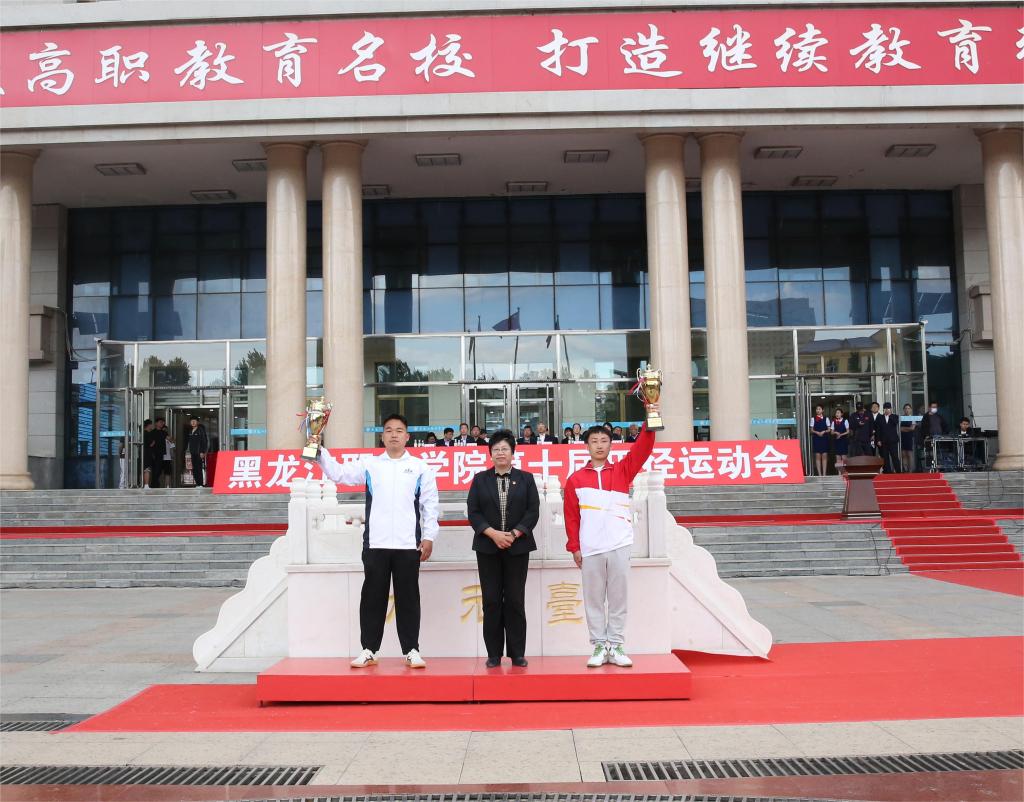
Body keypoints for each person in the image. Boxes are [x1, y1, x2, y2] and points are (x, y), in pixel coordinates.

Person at [318, 413, 439, 669]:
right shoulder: (371, 464)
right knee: (373, 598)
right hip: (376, 543)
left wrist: (429, 536)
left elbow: (430, 505)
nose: (394, 434)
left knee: (408, 598)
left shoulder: (420, 468)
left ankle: (412, 650)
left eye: (399, 430)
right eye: (389, 430)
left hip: (408, 544)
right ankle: (369, 649)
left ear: (407, 437)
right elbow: (339, 474)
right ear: (382, 437)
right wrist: (318, 450)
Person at [564, 405, 657, 668]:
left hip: (619, 544)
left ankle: (615, 645)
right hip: (590, 548)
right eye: (594, 441)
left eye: (604, 441)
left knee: (618, 598)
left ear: (610, 445)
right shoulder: (575, 480)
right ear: (586, 446)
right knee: (593, 599)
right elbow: (571, 517)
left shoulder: (622, 471)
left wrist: (651, 416)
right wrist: (574, 547)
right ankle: (598, 646)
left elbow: (643, 448)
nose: (599, 445)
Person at [466, 429, 540, 668]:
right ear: (490, 454)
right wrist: (493, 534)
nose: (500, 453)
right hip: (488, 548)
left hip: (518, 548)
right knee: (491, 601)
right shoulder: (480, 479)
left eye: (504, 449)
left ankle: (517, 653)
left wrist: (514, 534)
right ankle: (494, 654)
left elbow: (532, 511)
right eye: (496, 449)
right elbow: (473, 512)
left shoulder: (526, 479)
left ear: (512, 453)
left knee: (515, 600)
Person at [876, 402, 901, 473]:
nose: (887, 410)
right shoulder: (880, 418)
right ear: (883, 409)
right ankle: (888, 472)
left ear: (891, 409)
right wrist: (878, 440)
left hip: (893, 441)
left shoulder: (895, 416)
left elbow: (895, 422)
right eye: (885, 408)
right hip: (883, 441)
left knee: (895, 457)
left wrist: (890, 415)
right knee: (885, 457)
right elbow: (878, 430)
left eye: (888, 408)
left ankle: (898, 471)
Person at [185, 416, 208, 489]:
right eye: (191, 421)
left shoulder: (200, 430)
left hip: (199, 452)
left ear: (198, 422)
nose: (193, 422)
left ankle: (201, 484)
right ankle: (197, 483)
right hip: (192, 452)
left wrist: (202, 451)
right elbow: (188, 442)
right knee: (194, 468)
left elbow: (204, 441)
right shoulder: (190, 431)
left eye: (194, 421)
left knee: (198, 467)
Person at [809, 404, 830, 476]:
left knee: (824, 456)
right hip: (817, 438)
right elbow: (811, 430)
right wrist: (817, 432)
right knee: (817, 456)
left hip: (824, 438)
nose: (818, 410)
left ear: (822, 410)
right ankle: (819, 474)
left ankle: (824, 474)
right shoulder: (813, 419)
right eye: (817, 409)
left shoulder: (826, 418)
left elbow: (829, 429)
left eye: (819, 409)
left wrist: (824, 431)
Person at [830, 408, 849, 472]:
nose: (837, 414)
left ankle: (845, 472)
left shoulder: (845, 421)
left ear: (841, 414)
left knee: (844, 457)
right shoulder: (833, 422)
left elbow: (848, 431)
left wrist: (841, 434)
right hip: (837, 441)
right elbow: (831, 432)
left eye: (838, 413)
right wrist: (835, 432)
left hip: (843, 441)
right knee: (838, 457)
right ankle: (839, 473)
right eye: (836, 413)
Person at [900, 403, 917, 472]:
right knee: (903, 454)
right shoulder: (901, 418)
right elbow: (899, 429)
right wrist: (908, 428)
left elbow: (912, 428)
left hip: (910, 437)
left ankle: (910, 470)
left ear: (911, 410)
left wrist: (903, 428)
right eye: (906, 408)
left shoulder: (913, 418)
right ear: (903, 410)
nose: (907, 410)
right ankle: (905, 469)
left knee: (909, 454)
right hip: (902, 437)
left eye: (908, 408)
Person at [141, 419, 155, 489]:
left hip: (142, 453)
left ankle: (141, 484)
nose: (152, 426)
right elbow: (151, 444)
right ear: (149, 425)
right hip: (147, 454)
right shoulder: (147, 433)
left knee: (142, 469)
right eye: (151, 424)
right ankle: (146, 485)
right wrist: (154, 442)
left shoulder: (141, 433)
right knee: (147, 469)